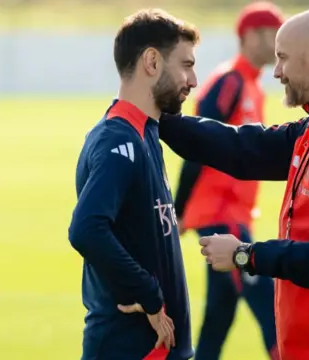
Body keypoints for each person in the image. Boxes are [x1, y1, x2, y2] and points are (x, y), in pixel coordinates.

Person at [159, 7, 309, 360]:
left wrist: (246, 254)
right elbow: (243, 148)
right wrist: (158, 116)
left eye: (283, 58)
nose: (276, 72)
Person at [67, 9, 199, 360]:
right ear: (152, 62)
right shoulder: (117, 139)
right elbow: (86, 228)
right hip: (131, 348)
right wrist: (150, 295)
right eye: (185, 65)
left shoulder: (145, 133)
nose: (194, 79)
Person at [172, 2, 283, 359]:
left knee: (219, 315)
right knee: (270, 306)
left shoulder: (253, 85)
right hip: (221, 218)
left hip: (233, 214)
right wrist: (178, 209)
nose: (279, 44)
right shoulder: (229, 81)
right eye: (273, 35)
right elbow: (196, 145)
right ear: (250, 37)